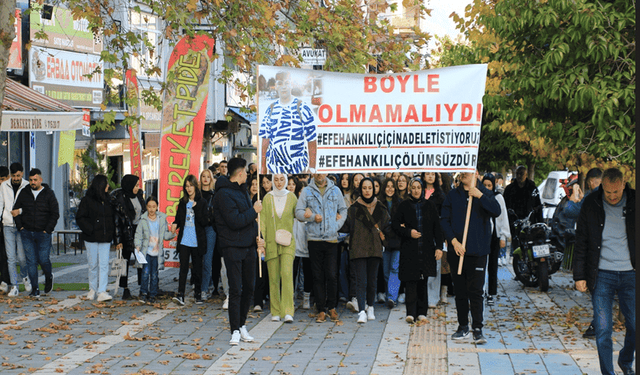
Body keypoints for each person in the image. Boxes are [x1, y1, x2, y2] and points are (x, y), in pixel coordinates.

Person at [573, 168, 635, 375]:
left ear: (623, 185)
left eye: (616, 192)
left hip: (631, 274)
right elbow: (581, 240)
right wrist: (579, 276)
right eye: (608, 192)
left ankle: (625, 361)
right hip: (601, 275)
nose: (612, 196)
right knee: (603, 329)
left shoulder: (635, 201)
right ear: (602, 187)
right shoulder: (592, 203)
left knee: (634, 325)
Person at [441, 172, 500, 344]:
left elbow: (496, 210)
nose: (462, 174)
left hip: (478, 252)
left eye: (466, 171)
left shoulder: (484, 193)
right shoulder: (452, 195)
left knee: (476, 291)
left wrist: (480, 195)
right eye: (460, 172)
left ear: (475, 173)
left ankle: (478, 328)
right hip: (457, 251)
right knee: (460, 291)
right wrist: (453, 241)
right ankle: (462, 326)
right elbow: (444, 220)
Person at [213, 157, 264, 346]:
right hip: (232, 246)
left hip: (248, 246)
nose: (249, 176)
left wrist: (256, 237)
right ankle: (234, 329)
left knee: (249, 287)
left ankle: (242, 324)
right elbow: (235, 221)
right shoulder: (223, 194)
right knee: (236, 289)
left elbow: (248, 221)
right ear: (240, 172)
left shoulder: (242, 190)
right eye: (246, 172)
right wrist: (254, 210)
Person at [295, 173, 347, 323]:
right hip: (314, 238)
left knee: (331, 274)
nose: (319, 175)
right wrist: (311, 217)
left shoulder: (335, 190)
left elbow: (343, 210)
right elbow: (298, 212)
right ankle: (321, 309)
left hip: (331, 239)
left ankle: (332, 307)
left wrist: (336, 225)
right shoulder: (307, 191)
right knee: (317, 276)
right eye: (316, 172)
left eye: (322, 171)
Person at [392, 178, 444, 323]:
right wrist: (408, 232)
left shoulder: (430, 206)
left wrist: (439, 247)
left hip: (426, 250)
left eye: (418, 187)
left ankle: (422, 312)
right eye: (413, 187)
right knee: (410, 282)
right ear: (409, 189)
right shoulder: (404, 206)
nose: (415, 190)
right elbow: (395, 225)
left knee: (423, 282)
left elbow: (437, 229)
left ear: (422, 189)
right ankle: (410, 313)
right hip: (410, 250)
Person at [339, 178, 389, 324]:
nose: (367, 190)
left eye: (370, 188)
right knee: (361, 281)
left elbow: (387, 227)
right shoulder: (354, 209)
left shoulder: (381, 208)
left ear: (374, 189)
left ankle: (371, 307)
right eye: (365, 188)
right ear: (361, 189)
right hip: (358, 248)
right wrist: (338, 220)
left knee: (372, 280)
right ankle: (361, 310)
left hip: (374, 248)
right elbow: (346, 227)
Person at [259, 71, 317, 174]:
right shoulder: (271, 109)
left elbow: (311, 139)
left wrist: (312, 168)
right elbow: (265, 140)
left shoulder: (302, 107)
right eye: (280, 83)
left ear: (291, 85)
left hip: (298, 169)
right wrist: (263, 167)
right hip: (275, 170)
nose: (284, 87)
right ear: (276, 86)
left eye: (287, 83)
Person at [13, 169, 59, 297]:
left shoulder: (49, 194)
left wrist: (48, 229)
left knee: (43, 259)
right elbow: (15, 210)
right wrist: (20, 227)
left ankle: (49, 276)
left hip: (43, 233)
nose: (33, 182)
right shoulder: (24, 192)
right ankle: (35, 289)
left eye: (35, 180)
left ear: (40, 180)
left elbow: (55, 213)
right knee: (31, 262)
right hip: (27, 232)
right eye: (31, 180)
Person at [260, 174, 297, 322]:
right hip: (271, 242)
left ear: (286, 180)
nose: (279, 182)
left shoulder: (292, 197)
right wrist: (261, 238)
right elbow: (262, 220)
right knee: (273, 277)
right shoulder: (267, 198)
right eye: (276, 179)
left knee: (287, 274)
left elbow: (298, 215)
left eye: (282, 179)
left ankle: (288, 310)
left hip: (288, 241)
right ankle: (275, 310)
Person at [76, 175, 117, 302]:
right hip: (91, 238)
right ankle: (93, 289)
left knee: (104, 265)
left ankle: (102, 291)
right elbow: (80, 217)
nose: (108, 186)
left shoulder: (109, 200)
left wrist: (113, 236)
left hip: (105, 238)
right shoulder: (87, 200)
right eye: (106, 184)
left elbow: (112, 219)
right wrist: (90, 229)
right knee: (92, 264)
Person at [171, 175, 208, 306]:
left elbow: (204, 221)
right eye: (186, 186)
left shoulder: (202, 202)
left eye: (191, 186)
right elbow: (178, 219)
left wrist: (196, 208)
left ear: (195, 186)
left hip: (197, 240)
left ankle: (198, 294)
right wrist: (175, 224)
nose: (189, 189)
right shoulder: (182, 202)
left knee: (197, 268)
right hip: (185, 239)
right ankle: (180, 294)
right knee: (183, 268)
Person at [134, 196, 175, 303]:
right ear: (146, 207)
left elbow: (165, 234)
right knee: (145, 273)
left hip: (157, 253)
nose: (151, 209)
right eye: (149, 207)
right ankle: (143, 292)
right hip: (146, 251)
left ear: (157, 207)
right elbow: (138, 234)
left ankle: (152, 294)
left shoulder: (161, 220)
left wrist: (172, 234)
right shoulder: (143, 220)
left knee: (154, 274)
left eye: (154, 206)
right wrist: (137, 245)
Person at [111, 174, 146, 299]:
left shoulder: (139, 197)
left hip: (139, 231)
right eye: (136, 185)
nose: (138, 188)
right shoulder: (120, 200)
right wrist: (118, 240)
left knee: (141, 260)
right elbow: (116, 222)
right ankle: (125, 289)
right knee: (124, 261)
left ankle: (143, 288)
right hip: (126, 233)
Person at [0, 163, 29, 296]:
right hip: (7, 225)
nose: (16, 178)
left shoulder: (27, 185)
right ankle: (14, 286)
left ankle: (24, 276)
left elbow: (30, 206)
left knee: (22, 258)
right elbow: (1, 204)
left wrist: (20, 211)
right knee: (10, 258)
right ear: (10, 175)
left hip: (21, 226)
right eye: (13, 176)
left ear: (22, 174)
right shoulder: (4, 186)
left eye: (18, 176)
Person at [481, 173, 510, 306]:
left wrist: (503, 236)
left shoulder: (498, 198)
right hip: (481, 235)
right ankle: (481, 291)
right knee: (481, 265)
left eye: (489, 185)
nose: (487, 188)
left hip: (494, 235)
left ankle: (491, 293)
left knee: (492, 266)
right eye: (484, 185)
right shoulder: (479, 196)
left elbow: (503, 217)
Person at [422, 172, 446, 309]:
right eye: (428, 174)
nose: (430, 176)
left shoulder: (440, 196)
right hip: (420, 234)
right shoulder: (418, 191)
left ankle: (433, 298)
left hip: (434, 234)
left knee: (435, 267)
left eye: (433, 174)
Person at [380, 178, 402, 308]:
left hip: (397, 240)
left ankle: (392, 297)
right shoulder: (379, 203)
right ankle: (390, 295)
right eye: (387, 186)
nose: (390, 189)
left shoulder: (399, 203)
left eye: (392, 186)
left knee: (395, 268)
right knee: (386, 271)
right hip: (383, 241)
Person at [200, 169, 221, 302]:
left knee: (207, 260)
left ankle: (204, 289)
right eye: (203, 176)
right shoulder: (196, 194)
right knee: (198, 260)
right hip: (197, 228)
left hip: (210, 229)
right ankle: (201, 286)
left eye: (208, 177)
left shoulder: (215, 195)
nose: (206, 179)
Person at [291, 179, 312, 309]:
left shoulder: (313, 208)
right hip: (294, 246)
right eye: (301, 191)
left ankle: (306, 298)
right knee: (292, 273)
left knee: (308, 273)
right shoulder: (294, 207)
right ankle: (291, 297)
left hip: (308, 247)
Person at [0, 166, 10, 293]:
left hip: (7, 226)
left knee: (5, 255)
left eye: (2, 179)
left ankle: (5, 280)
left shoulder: (10, 191)